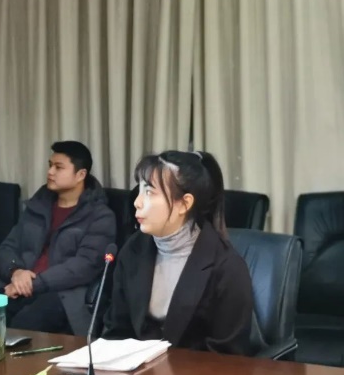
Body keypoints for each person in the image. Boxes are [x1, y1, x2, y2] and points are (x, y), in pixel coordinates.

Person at [0, 141, 116, 336]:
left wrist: (33, 283)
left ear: (80, 175)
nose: (50, 172)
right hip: (17, 284)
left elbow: (84, 266)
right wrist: (15, 272)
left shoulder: (100, 216)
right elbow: (8, 247)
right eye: (50, 165)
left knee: (23, 328)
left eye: (58, 167)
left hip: (62, 293)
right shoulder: (38, 205)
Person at [102, 150, 253, 355]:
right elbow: (117, 329)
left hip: (197, 372)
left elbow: (227, 355)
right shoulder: (134, 249)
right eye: (140, 190)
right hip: (136, 369)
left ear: (185, 203)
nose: (137, 202)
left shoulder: (226, 266)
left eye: (149, 192)